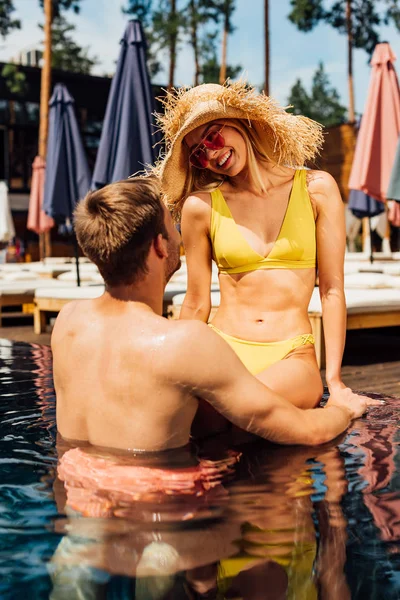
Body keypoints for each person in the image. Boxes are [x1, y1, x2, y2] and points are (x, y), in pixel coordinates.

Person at [52, 175, 376, 453]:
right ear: (160, 247)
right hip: (160, 504)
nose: (180, 233)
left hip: (79, 498)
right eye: (172, 223)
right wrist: (342, 411)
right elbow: (310, 431)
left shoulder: (67, 323)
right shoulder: (184, 343)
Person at [156, 81, 363, 409]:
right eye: (198, 153)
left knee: (241, 405)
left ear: (238, 123)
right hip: (222, 348)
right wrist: (177, 372)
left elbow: (332, 291)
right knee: (195, 415)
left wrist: (335, 383)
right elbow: (196, 302)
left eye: (212, 136)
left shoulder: (317, 189)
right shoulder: (201, 207)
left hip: (291, 353)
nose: (211, 153)